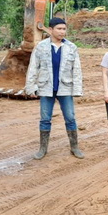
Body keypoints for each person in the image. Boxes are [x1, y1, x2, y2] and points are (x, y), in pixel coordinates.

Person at [25, 17, 84, 160]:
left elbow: (76, 70)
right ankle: (42, 149)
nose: (62, 32)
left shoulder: (71, 47)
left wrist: (77, 89)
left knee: (70, 118)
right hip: (46, 87)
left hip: (65, 88)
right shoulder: (41, 47)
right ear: (50, 30)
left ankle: (74, 147)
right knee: (45, 119)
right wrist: (30, 87)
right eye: (59, 29)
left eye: (64, 29)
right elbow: (33, 67)